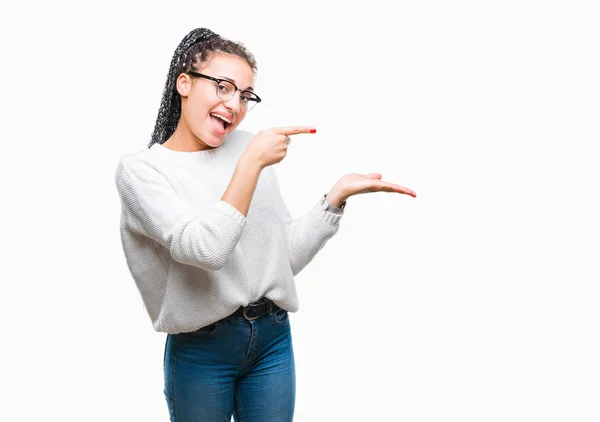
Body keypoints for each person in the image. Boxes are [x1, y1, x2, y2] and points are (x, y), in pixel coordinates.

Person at [115, 27, 416, 421]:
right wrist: (252, 163)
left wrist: (333, 201)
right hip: (201, 350)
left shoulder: (245, 147)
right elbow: (204, 250)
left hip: (272, 339)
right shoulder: (143, 173)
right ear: (184, 84)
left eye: (244, 95)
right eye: (223, 86)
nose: (235, 104)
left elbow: (279, 260)